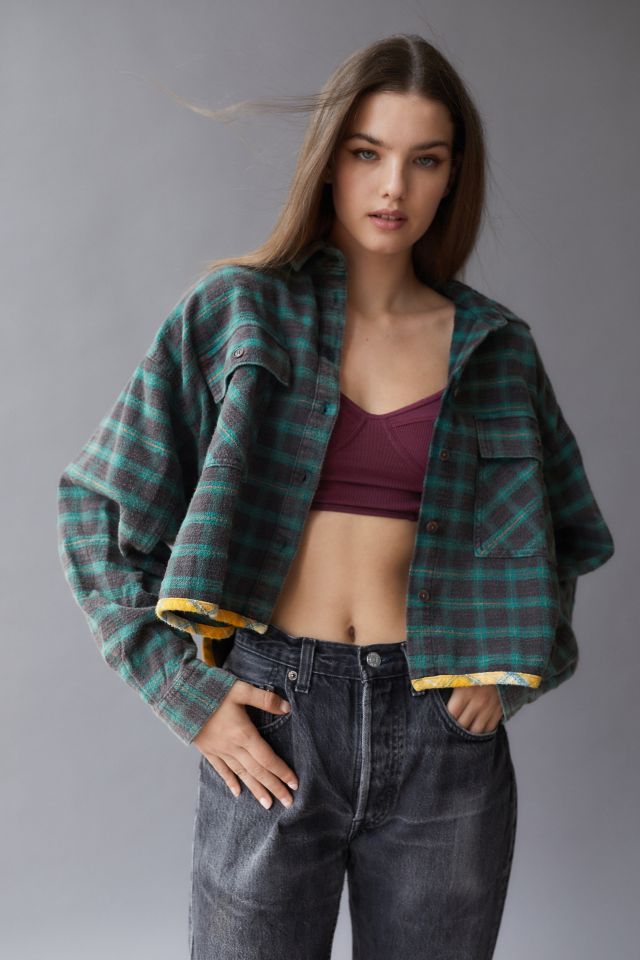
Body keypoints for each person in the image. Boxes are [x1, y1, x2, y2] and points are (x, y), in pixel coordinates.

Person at [57, 33, 615, 960]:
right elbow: (94, 510)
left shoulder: (496, 349)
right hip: (276, 714)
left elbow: (563, 538)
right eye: (367, 153)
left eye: (424, 160)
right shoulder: (238, 310)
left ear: (452, 177)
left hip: (441, 733)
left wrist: (503, 675)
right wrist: (189, 695)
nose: (393, 186)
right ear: (328, 162)